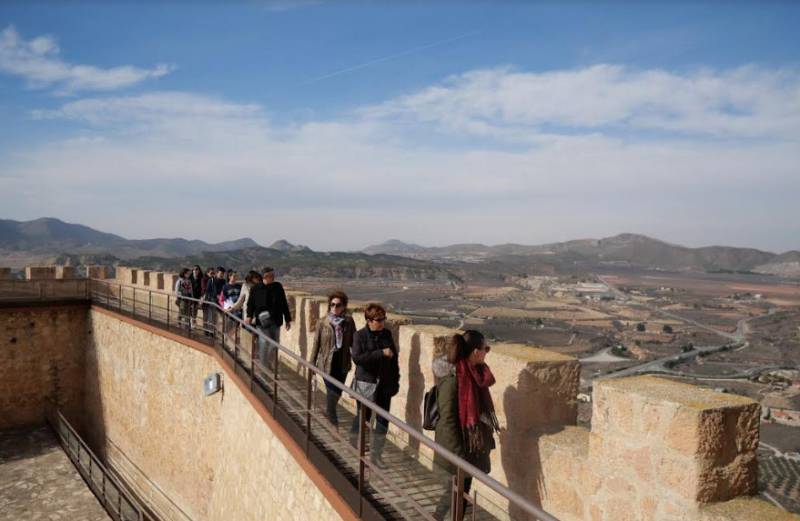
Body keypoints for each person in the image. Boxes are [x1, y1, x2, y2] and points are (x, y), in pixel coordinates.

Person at [432, 330, 499, 520]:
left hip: (470, 446)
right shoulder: (454, 380)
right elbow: (448, 420)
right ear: (476, 352)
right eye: (486, 348)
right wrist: (458, 457)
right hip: (458, 449)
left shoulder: (474, 375)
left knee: (460, 493)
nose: (487, 352)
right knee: (455, 493)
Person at [349, 303, 399, 469]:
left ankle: (376, 455)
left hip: (385, 385)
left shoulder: (387, 334)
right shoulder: (359, 336)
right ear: (369, 321)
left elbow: (394, 359)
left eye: (383, 319)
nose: (382, 322)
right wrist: (380, 353)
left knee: (383, 421)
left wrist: (395, 381)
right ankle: (355, 445)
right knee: (363, 416)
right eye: (379, 320)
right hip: (366, 384)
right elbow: (357, 358)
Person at [310, 291, 356, 427]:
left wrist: (359, 362)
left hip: (342, 365)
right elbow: (316, 344)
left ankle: (329, 416)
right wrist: (311, 364)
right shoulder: (322, 323)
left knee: (336, 395)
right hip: (326, 365)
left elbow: (354, 343)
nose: (335, 308)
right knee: (332, 394)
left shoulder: (348, 323)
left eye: (338, 305)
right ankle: (334, 426)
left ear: (344, 307)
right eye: (332, 305)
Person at [246, 267, 292, 373]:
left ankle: (267, 363)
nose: (273, 277)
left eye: (273, 275)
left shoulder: (278, 287)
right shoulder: (255, 289)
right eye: (271, 275)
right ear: (265, 277)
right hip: (262, 322)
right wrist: (249, 316)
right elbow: (250, 304)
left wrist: (288, 319)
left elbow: (283, 303)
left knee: (274, 344)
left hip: (276, 321)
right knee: (264, 343)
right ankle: (264, 368)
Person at [203, 266, 226, 337]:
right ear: (216, 273)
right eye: (220, 273)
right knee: (211, 318)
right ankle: (210, 332)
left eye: (223, 273)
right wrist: (215, 296)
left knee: (220, 319)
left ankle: (216, 333)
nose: (222, 275)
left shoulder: (224, 282)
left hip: (221, 303)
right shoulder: (211, 280)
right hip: (212, 302)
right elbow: (208, 291)